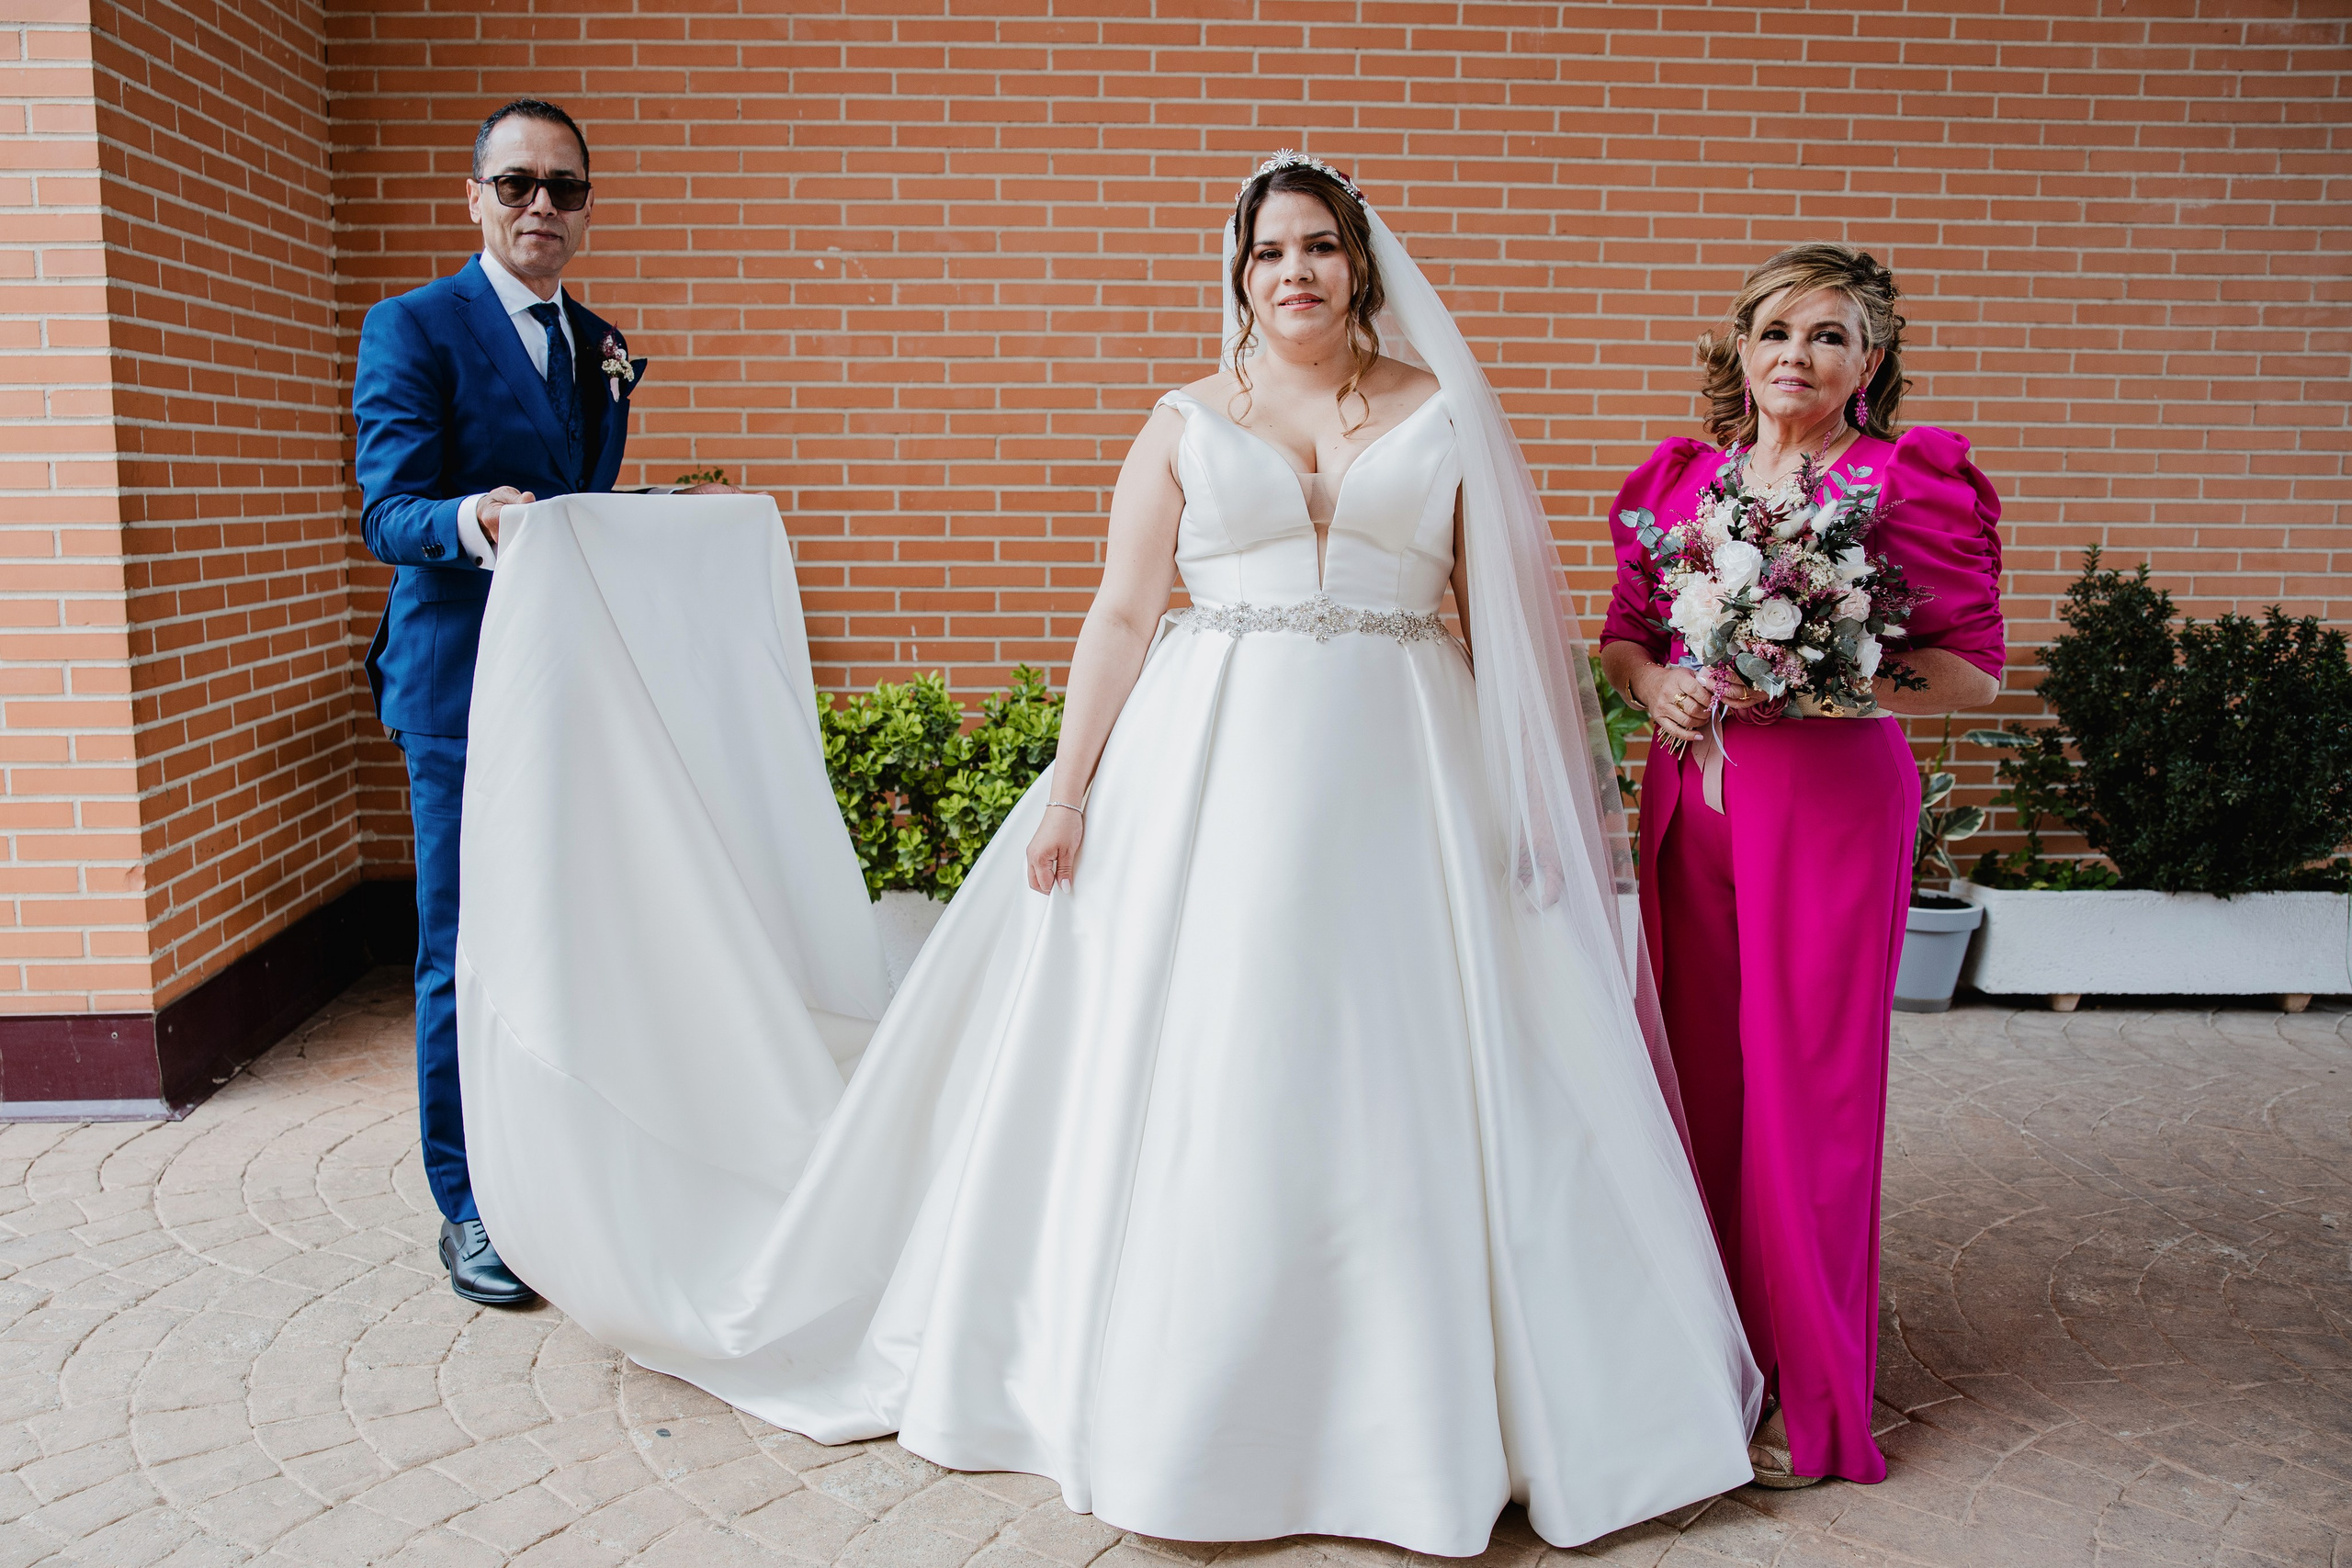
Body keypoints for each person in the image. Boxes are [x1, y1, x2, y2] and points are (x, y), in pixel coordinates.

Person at [458, 155, 1761, 1554]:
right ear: (1240, 273)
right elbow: (1123, 619)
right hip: (1216, 773)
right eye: (1269, 254)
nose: (1296, 275)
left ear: (1361, 267)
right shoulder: (1187, 422)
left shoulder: (1443, 413)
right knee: (1221, 1045)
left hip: (1406, 773)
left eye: (1320, 250)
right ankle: (1192, 1392)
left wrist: (1523, 801)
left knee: (1417, 1047)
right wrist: (1071, 790)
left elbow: (1489, 626)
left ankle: (1449, 1396)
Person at [1599, 244, 2006, 1488]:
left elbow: (1971, 675)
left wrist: (1826, 673)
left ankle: (1817, 1394)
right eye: (1776, 331)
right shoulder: (1682, 483)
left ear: (1869, 363)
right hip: (1691, 811)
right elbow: (1625, 638)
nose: (1796, 357)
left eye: (1829, 337)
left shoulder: (1903, 485)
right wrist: (1662, 679)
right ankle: (1718, 1358)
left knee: (1809, 1102)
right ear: (1739, 348)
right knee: (1702, 1092)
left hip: (1826, 806)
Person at [354, 97, 725, 1305]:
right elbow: (389, 511)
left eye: (565, 189)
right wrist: (480, 521)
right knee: (460, 949)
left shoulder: (602, 343)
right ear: (475, 197)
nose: (542, 209)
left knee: (568, 935)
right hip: (461, 695)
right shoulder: (414, 328)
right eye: (517, 185)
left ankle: (557, 1158)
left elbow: (584, 507)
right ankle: (467, 1204)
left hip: (572, 691)